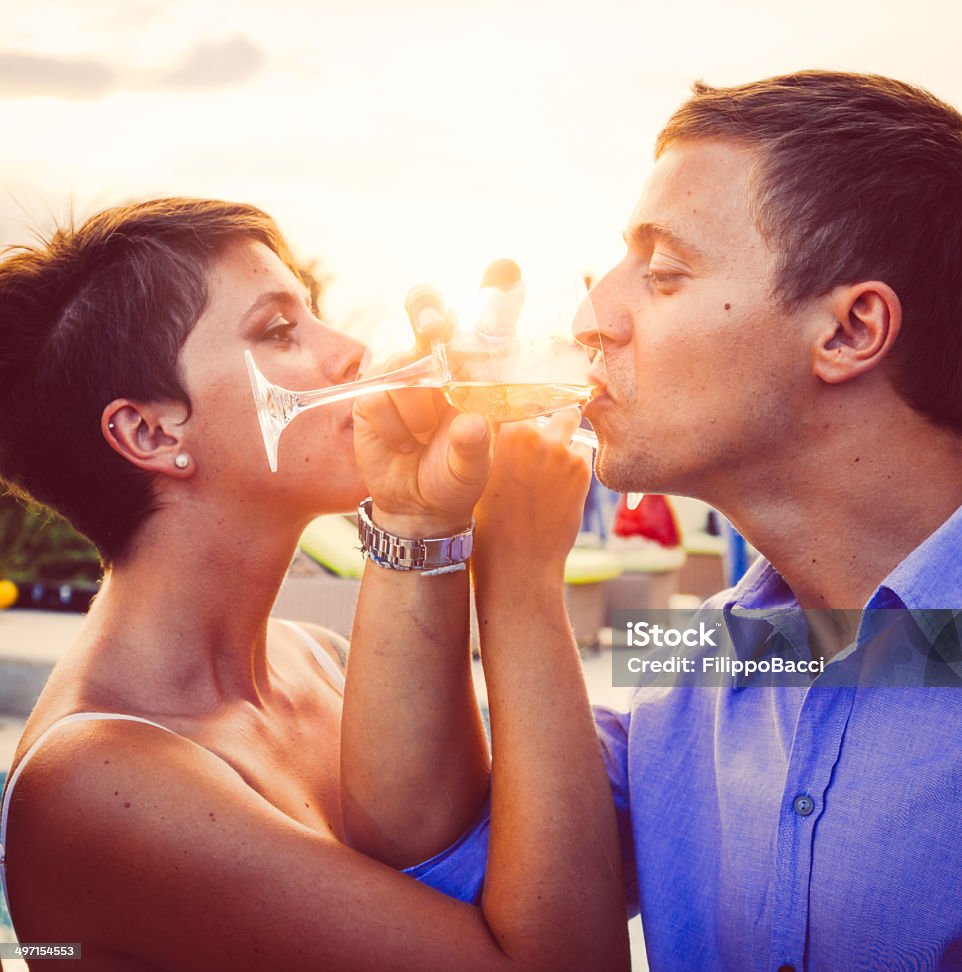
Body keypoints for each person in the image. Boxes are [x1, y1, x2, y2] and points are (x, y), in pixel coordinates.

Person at [335, 72, 962, 969]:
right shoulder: (693, 671)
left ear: (852, 330)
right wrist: (419, 523)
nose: (589, 320)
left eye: (663, 274)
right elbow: (441, 856)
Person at [0, 198, 630, 970]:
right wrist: (518, 564)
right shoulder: (96, 782)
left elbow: (501, 874)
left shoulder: (321, 661)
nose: (355, 353)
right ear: (151, 433)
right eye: (279, 331)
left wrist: (427, 511)